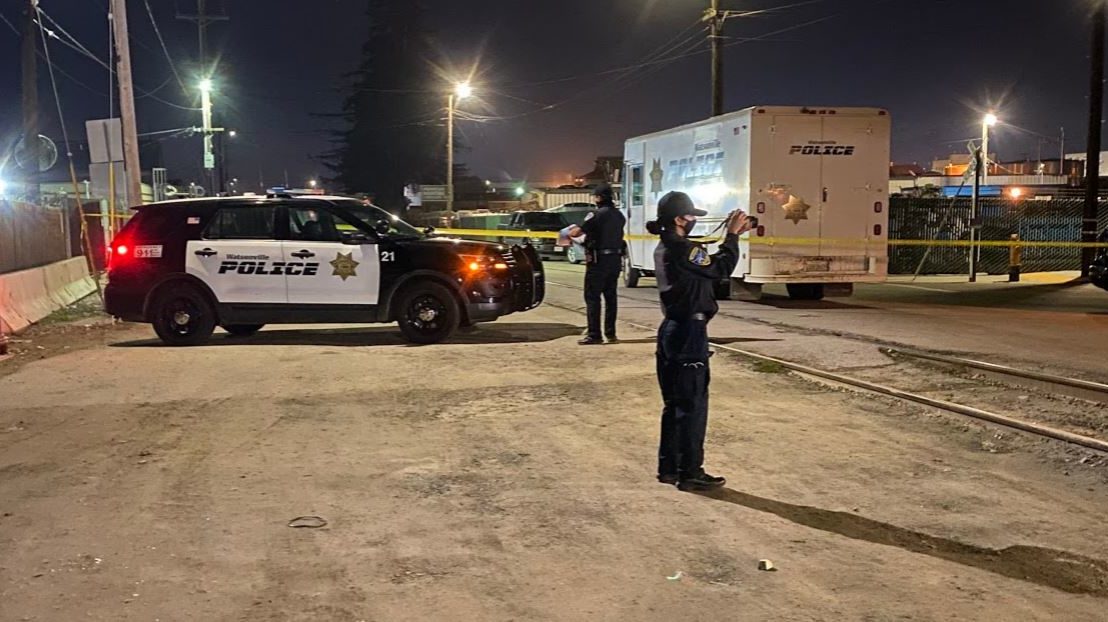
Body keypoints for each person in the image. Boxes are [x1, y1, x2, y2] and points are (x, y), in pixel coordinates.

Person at [648, 191, 752, 491]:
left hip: (671, 329)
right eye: (691, 216)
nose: (694, 221)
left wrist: (729, 239)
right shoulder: (684, 249)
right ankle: (691, 472)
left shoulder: (667, 246)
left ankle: (669, 467)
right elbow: (720, 269)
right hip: (689, 334)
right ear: (680, 219)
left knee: (674, 405)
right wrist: (732, 237)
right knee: (692, 406)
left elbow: (706, 266)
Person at [568, 183, 626, 345]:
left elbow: (577, 232)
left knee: (593, 297)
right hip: (615, 260)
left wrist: (569, 232)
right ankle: (611, 333)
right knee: (611, 297)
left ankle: (594, 334)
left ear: (598, 198)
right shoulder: (619, 215)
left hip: (598, 261)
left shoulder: (596, 215)